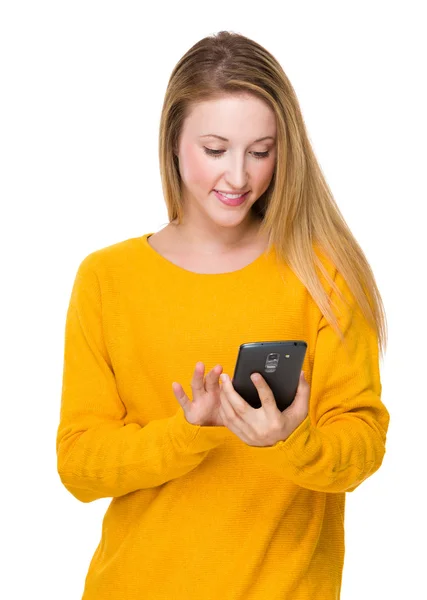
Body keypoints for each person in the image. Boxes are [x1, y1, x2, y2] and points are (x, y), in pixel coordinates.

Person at [56, 30, 390, 599]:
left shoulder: (321, 274)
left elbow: (361, 446)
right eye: (215, 150)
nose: (239, 177)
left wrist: (290, 440)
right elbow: (80, 467)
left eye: (261, 151)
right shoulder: (107, 279)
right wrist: (187, 432)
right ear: (173, 142)